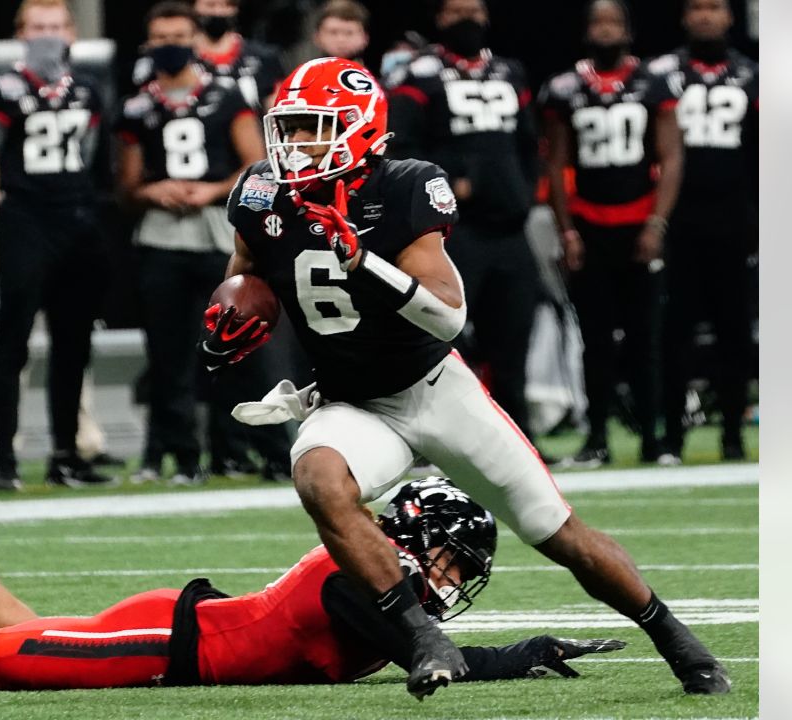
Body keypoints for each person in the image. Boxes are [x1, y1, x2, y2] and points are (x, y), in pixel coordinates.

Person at [206, 57, 729, 696]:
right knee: (318, 479)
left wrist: (362, 258)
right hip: (352, 400)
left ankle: (675, 637)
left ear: (360, 128)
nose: (295, 144)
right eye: (289, 128)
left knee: (557, 533)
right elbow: (247, 266)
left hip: (433, 388)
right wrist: (234, 306)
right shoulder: (262, 193)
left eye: (315, 127)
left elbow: (448, 316)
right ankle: (425, 637)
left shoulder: (405, 186)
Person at [0, 477, 628, 691]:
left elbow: (435, 650)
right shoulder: (368, 579)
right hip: (170, 643)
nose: (450, 579)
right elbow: (432, 659)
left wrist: (534, 651)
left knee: (21, 639)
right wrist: (525, 655)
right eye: (452, 560)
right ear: (413, 539)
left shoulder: (372, 575)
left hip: (178, 628)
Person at [117, 2, 284, 485]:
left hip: (216, 231)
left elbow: (257, 164)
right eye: (160, 36)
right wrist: (152, 191)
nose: (170, 44)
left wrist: (212, 191)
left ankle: (263, 449)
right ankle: (183, 456)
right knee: (169, 354)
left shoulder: (227, 95)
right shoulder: (137, 105)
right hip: (162, 236)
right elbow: (126, 186)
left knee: (241, 343)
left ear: (195, 40)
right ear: (148, 44)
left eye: (179, 34)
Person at [385, 0, 543, 445]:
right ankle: (437, 440)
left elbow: (530, 145)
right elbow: (398, 147)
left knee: (513, 340)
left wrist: (520, 192)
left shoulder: (510, 72)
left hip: (510, 229)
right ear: (438, 19)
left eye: (472, 9)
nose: (466, 19)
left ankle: (517, 439)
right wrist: (450, 183)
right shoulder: (417, 74)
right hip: (451, 232)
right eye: (455, 11)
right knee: (441, 342)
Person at [538, 0, 685, 468]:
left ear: (628, 29)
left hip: (639, 224)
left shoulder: (653, 83)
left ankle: (652, 439)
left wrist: (657, 223)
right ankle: (597, 436)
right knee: (595, 341)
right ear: (586, 31)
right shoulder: (564, 88)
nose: (606, 30)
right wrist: (567, 230)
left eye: (614, 21)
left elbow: (672, 155)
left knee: (646, 340)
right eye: (598, 22)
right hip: (590, 226)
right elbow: (557, 164)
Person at [0, 0, 112, 490]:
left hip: (75, 221)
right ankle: (3, 458)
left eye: (55, 27)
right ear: (20, 34)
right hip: (24, 219)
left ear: (71, 33)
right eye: (37, 28)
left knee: (73, 342)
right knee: (12, 340)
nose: (47, 36)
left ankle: (66, 452)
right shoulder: (4, 88)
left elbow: (90, 154)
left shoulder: (86, 88)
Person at [655, 0, 758, 462]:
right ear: (684, 17)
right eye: (697, 7)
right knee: (674, 333)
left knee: (734, 332)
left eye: (714, 7)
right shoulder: (662, 75)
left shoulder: (753, 75)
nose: (706, 16)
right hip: (679, 222)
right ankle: (672, 437)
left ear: (730, 16)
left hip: (734, 220)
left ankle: (733, 435)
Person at [189, 0, 284, 109]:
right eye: (210, 5)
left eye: (228, 5)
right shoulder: (183, 59)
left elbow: (275, 109)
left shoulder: (264, 57)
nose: (219, 12)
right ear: (193, 7)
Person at [312, 0, 370, 64]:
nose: (341, 40)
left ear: (365, 38)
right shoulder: (304, 72)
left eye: (349, 33)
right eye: (333, 32)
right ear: (317, 37)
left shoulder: (370, 73)